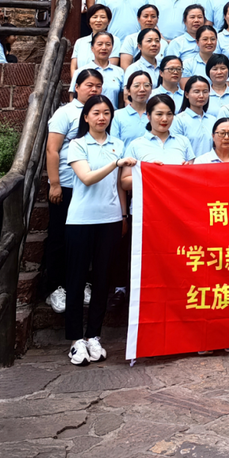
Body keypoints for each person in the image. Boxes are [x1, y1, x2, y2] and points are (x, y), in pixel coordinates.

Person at [64, 95, 136, 365]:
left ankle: (94, 335)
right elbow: (87, 178)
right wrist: (115, 164)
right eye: (96, 113)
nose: (102, 117)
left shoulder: (118, 144)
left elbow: (120, 185)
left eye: (106, 113)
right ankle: (75, 339)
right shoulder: (77, 144)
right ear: (86, 117)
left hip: (110, 219)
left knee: (103, 279)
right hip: (81, 221)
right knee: (76, 279)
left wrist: (123, 214)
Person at [45, 69, 104, 315]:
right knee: (60, 236)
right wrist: (54, 183)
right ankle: (55, 287)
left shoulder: (100, 113)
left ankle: (80, 284)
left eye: (98, 85)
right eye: (89, 85)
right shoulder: (65, 113)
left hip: (90, 186)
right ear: (76, 87)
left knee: (85, 239)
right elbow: (52, 149)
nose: (94, 89)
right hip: (67, 184)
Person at [120, 95, 194, 179]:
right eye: (159, 114)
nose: (165, 119)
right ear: (148, 115)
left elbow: (193, 176)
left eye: (169, 114)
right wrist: (148, 172)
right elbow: (125, 181)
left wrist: (187, 170)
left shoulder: (183, 141)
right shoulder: (136, 145)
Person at [69, 32, 123, 107]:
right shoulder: (81, 71)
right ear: (92, 48)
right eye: (100, 44)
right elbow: (72, 97)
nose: (104, 48)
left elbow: (121, 99)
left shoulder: (119, 72)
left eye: (108, 44)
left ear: (112, 48)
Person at [171, 76, 218, 158]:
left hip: (210, 164)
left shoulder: (213, 120)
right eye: (196, 92)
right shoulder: (178, 120)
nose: (201, 95)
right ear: (186, 94)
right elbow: (176, 149)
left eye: (205, 92)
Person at [70, 4, 121, 78]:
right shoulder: (80, 42)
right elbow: (73, 67)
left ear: (109, 21)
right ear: (89, 21)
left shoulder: (114, 40)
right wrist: (76, 82)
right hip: (81, 82)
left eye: (103, 17)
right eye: (95, 17)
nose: (98, 20)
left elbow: (111, 65)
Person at [111, 71, 153, 147]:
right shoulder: (117, 115)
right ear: (128, 91)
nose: (142, 89)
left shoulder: (156, 114)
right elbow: (114, 145)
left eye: (146, 85)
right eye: (137, 86)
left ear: (151, 90)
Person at [119, 4, 167, 70]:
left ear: (157, 19)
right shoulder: (130, 39)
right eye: (145, 16)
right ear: (138, 19)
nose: (149, 19)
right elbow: (125, 66)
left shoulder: (163, 43)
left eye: (153, 16)